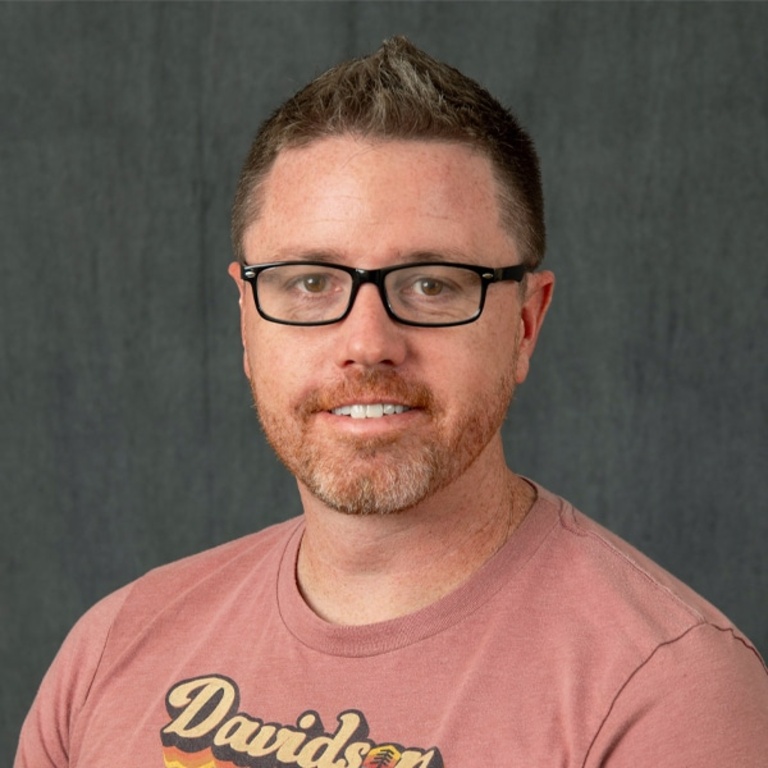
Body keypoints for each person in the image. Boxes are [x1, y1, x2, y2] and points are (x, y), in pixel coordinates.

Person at [15, 36, 768, 768]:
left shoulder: (669, 694)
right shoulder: (115, 647)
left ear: (526, 324)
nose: (368, 341)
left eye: (432, 284)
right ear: (247, 319)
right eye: (311, 282)